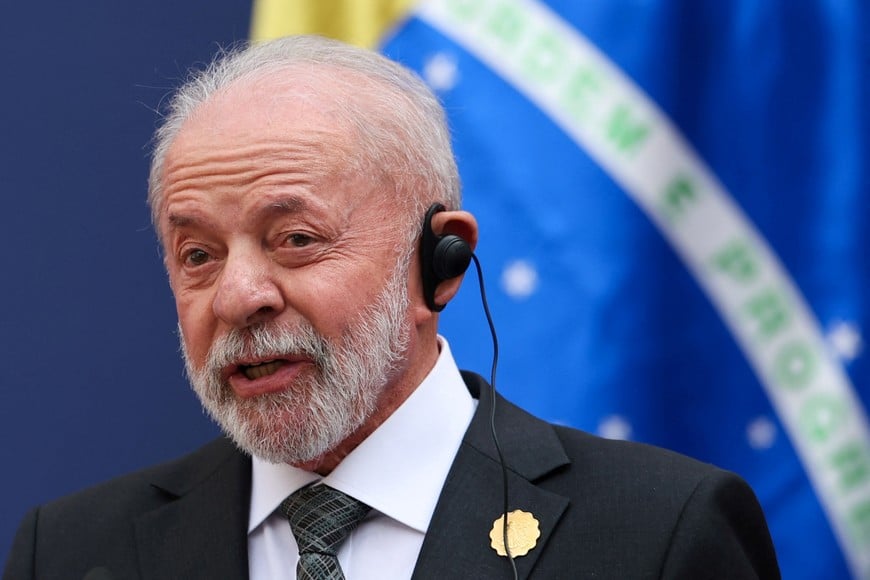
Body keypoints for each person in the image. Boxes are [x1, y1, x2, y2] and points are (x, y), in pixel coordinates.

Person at [3, 35, 780, 580]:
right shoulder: (74, 552)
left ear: (440, 263)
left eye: (297, 238)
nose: (239, 296)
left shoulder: (660, 532)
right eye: (198, 255)